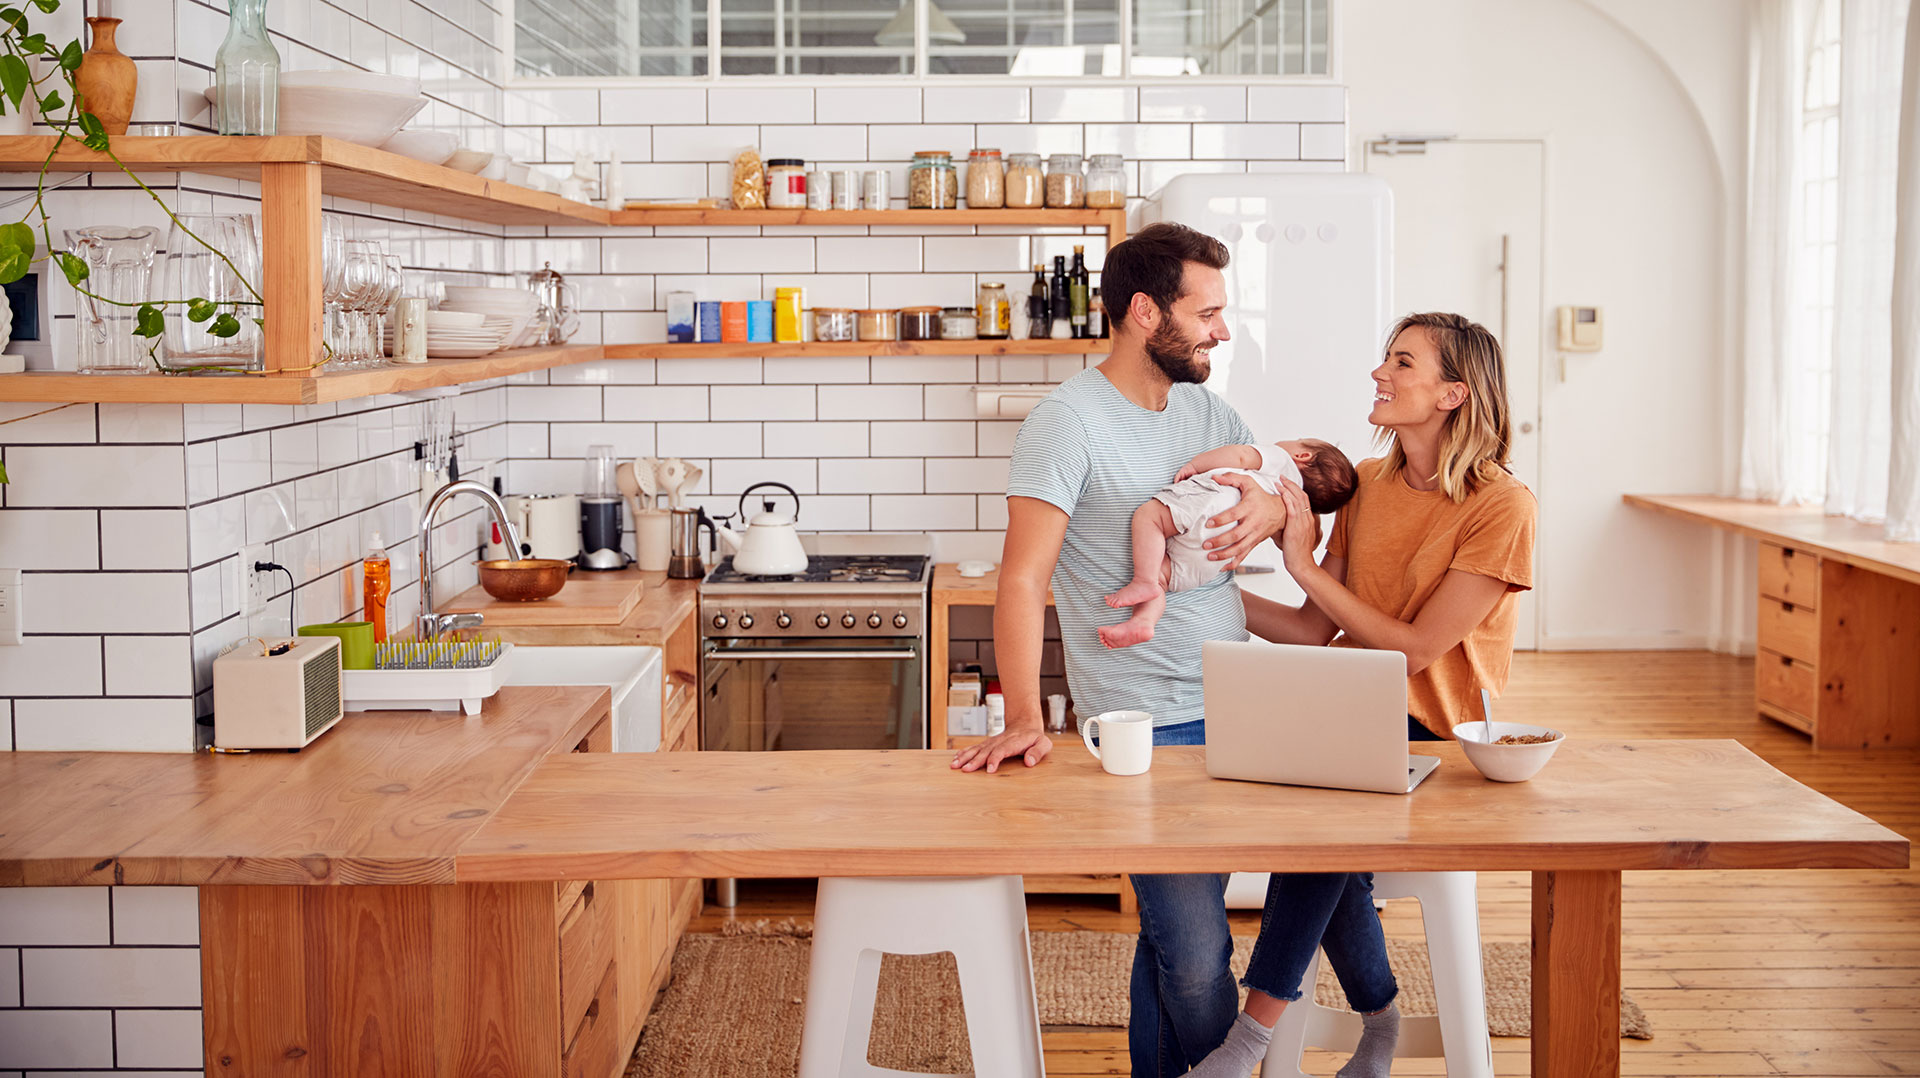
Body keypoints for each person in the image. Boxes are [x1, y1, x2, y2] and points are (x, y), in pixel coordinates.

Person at [950, 221, 1286, 1077]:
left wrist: (1277, 513)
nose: (1221, 330)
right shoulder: (1068, 420)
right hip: (1148, 721)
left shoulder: (1213, 412)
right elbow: (1023, 579)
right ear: (1145, 312)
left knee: (1176, 942)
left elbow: (1269, 501)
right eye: (1206, 312)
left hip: (1242, 706)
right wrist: (1025, 715)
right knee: (1201, 953)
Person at [1184, 312, 1537, 1078]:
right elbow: (1315, 633)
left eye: (1401, 362)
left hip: (1434, 737)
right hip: (1350, 715)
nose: (1380, 373)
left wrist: (1302, 564)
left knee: (1318, 830)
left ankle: (1249, 1042)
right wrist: (1202, 593)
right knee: (1321, 828)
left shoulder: (1501, 506)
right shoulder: (1367, 485)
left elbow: (1413, 651)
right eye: (1385, 357)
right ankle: (1378, 1023)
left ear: (1453, 393)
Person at [1101, 437, 1359, 648]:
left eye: (1299, 441)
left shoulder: (1280, 460)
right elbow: (1311, 536)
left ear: (1303, 456)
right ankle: (1144, 620)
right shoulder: (1297, 498)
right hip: (1216, 555)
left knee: (1150, 518)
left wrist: (1195, 465)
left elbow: (1240, 456)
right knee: (1162, 580)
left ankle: (1141, 581)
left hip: (1215, 503)